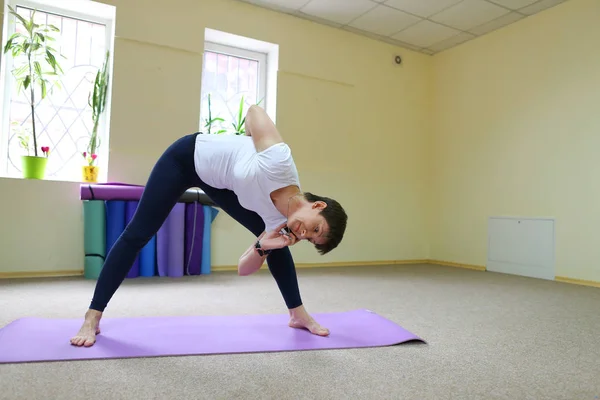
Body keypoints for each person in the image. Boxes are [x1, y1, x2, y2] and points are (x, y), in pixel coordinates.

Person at [70, 105, 348, 347]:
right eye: (315, 229)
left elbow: (243, 269)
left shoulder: (279, 224)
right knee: (138, 233)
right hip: (186, 158)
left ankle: (297, 314)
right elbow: (253, 110)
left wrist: (263, 245)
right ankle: (92, 316)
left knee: (278, 248)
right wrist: (248, 141)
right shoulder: (278, 161)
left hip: (221, 184)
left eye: (311, 240)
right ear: (318, 206)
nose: (305, 234)